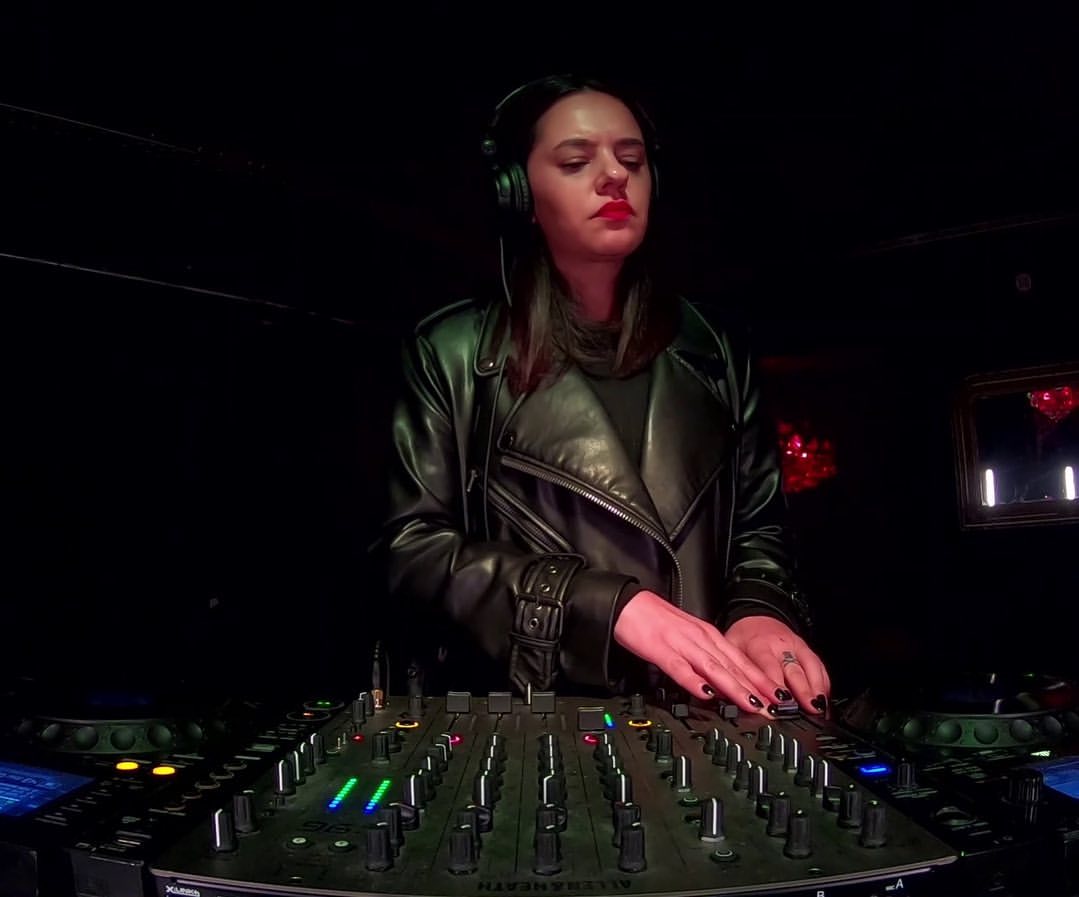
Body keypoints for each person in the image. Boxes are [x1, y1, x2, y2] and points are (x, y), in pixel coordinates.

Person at [380, 73, 831, 717]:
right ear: (518, 194)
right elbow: (414, 553)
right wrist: (607, 606)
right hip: (536, 717)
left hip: (707, 717)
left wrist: (760, 609)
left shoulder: (717, 349)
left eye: (632, 160)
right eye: (575, 161)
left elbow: (758, 529)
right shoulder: (451, 355)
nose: (615, 177)